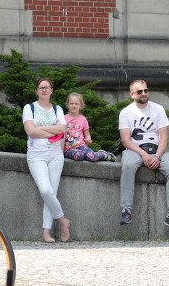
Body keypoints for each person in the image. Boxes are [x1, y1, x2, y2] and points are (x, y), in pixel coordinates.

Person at [22, 78, 71, 243]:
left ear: (51, 90)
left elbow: (63, 129)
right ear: (36, 90)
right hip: (36, 155)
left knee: (52, 192)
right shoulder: (29, 108)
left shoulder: (57, 109)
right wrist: (53, 132)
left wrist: (41, 128)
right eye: (41, 87)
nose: (44, 90)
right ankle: (63, 220)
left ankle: (46, 232)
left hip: (56, 155)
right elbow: (30, 131)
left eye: (47, 87)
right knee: (45, 190)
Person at [118, 80, 169, 226]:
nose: (144, 94)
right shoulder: (126, 112)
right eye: (140, 91)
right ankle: (126, 210)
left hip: (157, 150)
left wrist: (157, 156)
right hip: (135, 149)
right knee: (127, 165)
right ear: (132, 94)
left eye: (146, 90)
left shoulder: (158, 109)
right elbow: (126, 140)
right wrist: (144, 155)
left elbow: (164, 137)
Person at [63, 92, 116, 162]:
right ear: (68, 105)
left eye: (76, 104)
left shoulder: (83, 119)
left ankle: (103, 154)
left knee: (91, 157)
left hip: (81, 146)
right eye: (71, 103)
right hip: (69, 148)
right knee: (79, 156)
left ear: (80, 106)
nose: (74, 106)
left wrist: (88, 140)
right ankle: (94, 154)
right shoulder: (63, 118)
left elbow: (87, 134)